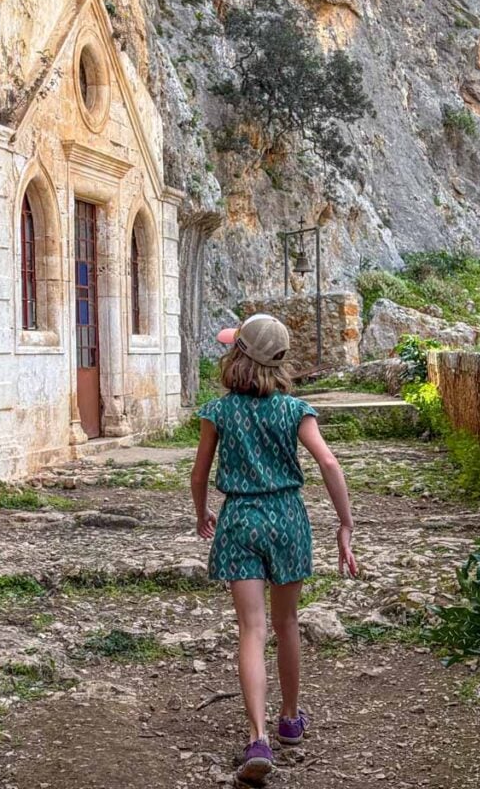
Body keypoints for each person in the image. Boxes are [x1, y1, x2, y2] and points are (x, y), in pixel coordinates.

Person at [190, 313, 357, 784]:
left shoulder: (217, 412)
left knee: (251, 629)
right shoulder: (294, 410)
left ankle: (257, 737)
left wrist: (202, 512)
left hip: (240, 518)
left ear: (238, 354)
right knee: (286, 623)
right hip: (286, 517)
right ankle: (289, 718)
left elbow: (200, 474)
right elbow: (327, 460)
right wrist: (345, 523)